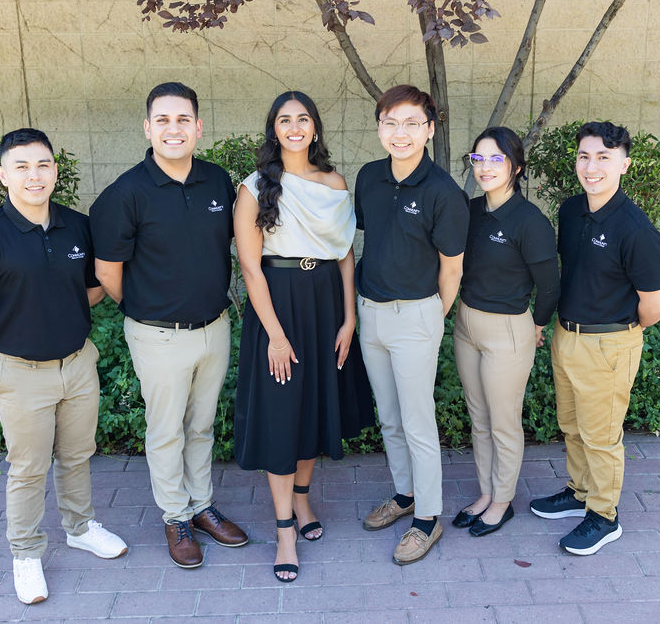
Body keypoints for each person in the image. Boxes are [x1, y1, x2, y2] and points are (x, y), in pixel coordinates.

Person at [0, 128, 128, 605]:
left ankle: (80, 526)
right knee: (27, 468)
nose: (34, 175)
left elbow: (92, 287)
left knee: (77, 453)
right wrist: (22, 329)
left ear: (54, 170)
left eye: (43, 165)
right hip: (20, 373)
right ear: (3, 175)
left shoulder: (76, 226)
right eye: (22, 167)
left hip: (77, 363)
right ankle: (26, 555)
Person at [88, 82, 247, 570]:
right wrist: (145, 310)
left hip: (214, 327)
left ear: (198, 127)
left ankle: (202, 508)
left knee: (201, 425)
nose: (173, 129)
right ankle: (175, 517)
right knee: (165, 431)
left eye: (183, 120)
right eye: (163, 120)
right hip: (157, 334)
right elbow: (108, 272)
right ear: (148, 127)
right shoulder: (126, 193)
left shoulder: (218, 182)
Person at [233, 91, 374, 582]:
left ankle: (302, 501)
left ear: (314, 127)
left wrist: (349, 317)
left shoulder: (333, 182)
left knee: (313, 405)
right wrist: (274, 335)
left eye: (303, 118)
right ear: (274, 128)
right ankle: (284, 530)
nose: (294, 127)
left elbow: (345, 253)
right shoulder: (254, 188)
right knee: (281, 415)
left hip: (324, 303)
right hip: (279, 305)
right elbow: (250, 268)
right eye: (284, 119)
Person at [529, 121, 660, 555]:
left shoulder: (636, 230)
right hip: (566, 336)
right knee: (572, 426)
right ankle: (579, 491)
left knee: (601, 435)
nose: (592, 167)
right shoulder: (571, 211)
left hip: (609, 344)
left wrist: (619, 333)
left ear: (624, 165)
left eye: (603, 158)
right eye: (584, 156)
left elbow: (655, 305)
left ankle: (604, 516)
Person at [354, 84, 470, 565]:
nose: (400, 133)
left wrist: (431, 318)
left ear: (429, 128)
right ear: (380, 126)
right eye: (390, 123)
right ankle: (404, 496)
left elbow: (452, 268)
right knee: (389, 415)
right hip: (370, 313)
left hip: (418, 315)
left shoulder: (443, 192)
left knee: (418, 421)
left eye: (411, 124)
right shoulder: (368, 178)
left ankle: (428, 518)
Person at [452, 127, 559, 537]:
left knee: (503, 422)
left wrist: (536, 324)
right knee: (478, 418)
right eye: (478, 159)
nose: (485, 167)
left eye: (496, 159)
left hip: (508, 332)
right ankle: (485, 493)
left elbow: (549, 284)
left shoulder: (529, 221)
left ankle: (502, 501)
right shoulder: (471, 211)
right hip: (466, 325)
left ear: (515, 166)